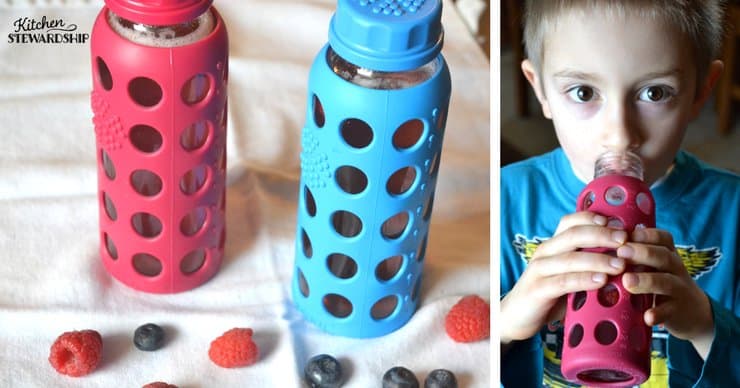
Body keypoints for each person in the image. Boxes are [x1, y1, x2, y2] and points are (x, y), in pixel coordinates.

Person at [500, 1, 740, 387]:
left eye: (656, 92)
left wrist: (705, 325)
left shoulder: (731, 211)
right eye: (582, 92)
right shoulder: (508, 199)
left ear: (700, 92)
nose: (620, 135)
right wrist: (505, 324)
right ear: (540, 89)